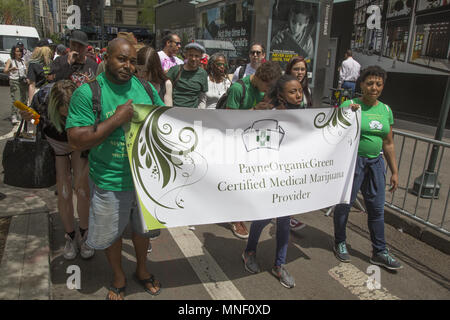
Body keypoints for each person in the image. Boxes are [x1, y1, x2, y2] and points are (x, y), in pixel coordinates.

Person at [66, 37, 165, 300]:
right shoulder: (88, 93)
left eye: (133, 61)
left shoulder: (145, 87)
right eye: (122, 59)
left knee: (142, 232)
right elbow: (75, 139)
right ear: (106, 57)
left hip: (145, 181)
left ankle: (142, 271)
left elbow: (163, 123)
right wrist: (116, 119)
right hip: (110, 181)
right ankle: (119, 277)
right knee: (112, 236)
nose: (128, 66)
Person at [333, 66, 402, 271]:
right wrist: (346, 114)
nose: (374, 88)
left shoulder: (386, 110)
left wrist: (395, 171)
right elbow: (334, 132)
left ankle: (379, 252)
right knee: (345, 204)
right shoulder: (350, 104)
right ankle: (339, 241)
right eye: (369, 83)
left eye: (378, 84)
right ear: (361, 84)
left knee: (376, 210)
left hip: (376, 164)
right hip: (354, 163)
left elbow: (388, 143)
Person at [19, 80, 93, 260]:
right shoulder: (42, 99)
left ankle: (85, 234)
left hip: (78, 143)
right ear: (53, 107)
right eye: (63, 115)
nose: (67, 119)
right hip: (56, 142)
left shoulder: (85, 99)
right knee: (64, 191)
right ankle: (70, 235)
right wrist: (27, 116)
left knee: (82, 189)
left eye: (71, 115)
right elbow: (38, 120)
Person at [242, 75, 302, 289]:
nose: (298, 95)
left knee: (284, 221)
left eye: (300, 91)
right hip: (268, 176)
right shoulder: (269, 115)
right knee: (264, 217)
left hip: (289, 177)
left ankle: (279, 264)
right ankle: (249, 251)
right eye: (293, 92)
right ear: (281, 95)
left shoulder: (307, 117)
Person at [226, 61, 282, 239]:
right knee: (237, 181)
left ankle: (245, 210)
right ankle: (236, 219)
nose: (267, 90)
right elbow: (228, 120)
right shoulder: (238, 88)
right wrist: (254, 109)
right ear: (258, 77)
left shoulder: (266, 90)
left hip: (256, 143)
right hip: (236, 142)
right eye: (267, 86)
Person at [284, 55, 313, 231]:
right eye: (296, 69)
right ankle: (283, 214)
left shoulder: (308, 91)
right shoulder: (280, 89)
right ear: (289, 71)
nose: (300, 72)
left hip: (299, 144)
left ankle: (288, 215)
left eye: (303, 69)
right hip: (284, 142)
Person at [166, 42, 208, 108]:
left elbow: (202, 97)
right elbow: (166, 93)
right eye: (191, 55)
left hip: (192, 113)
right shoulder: (175, 70)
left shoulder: (203, 74)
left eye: (196, 56)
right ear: (186, 55)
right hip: (174, 111)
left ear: (201, 57)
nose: (193, 59)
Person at [3, 45, 28, 124]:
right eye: (17, 51)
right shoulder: (10, 60)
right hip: (15, 81)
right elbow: (5, 71)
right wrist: (11, 69)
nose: (19, 53)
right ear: (14, 52)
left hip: (23, 82)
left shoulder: (23, 61)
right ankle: (13, 115)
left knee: (24, 99)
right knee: (16, 99)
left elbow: (26, 71)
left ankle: (22, 115)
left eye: (20, 51)